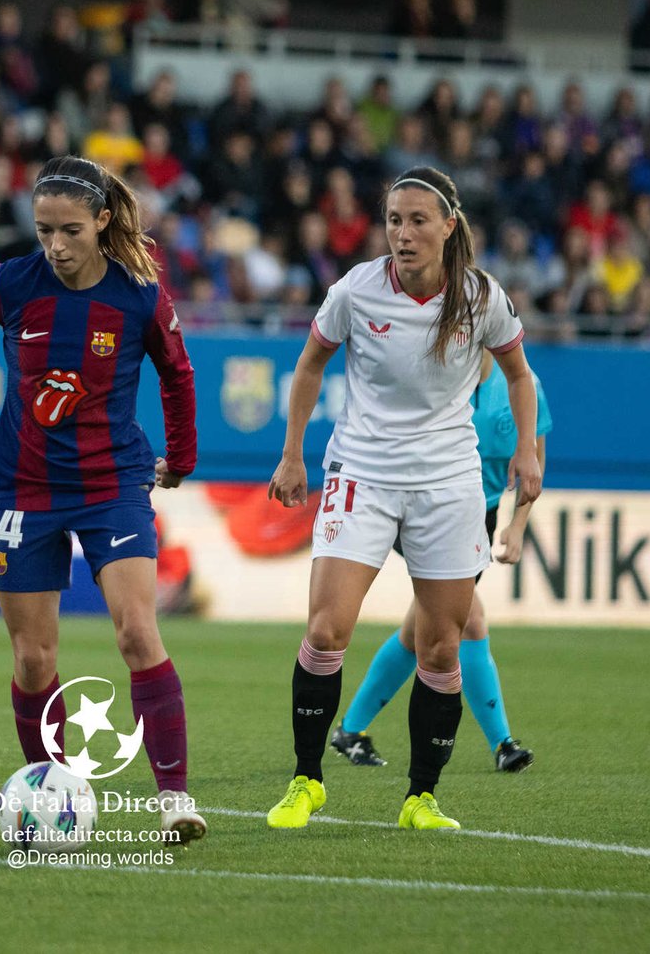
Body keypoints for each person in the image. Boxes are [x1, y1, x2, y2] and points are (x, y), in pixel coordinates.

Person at [0, 155, 206, 842]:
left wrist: (182, 460)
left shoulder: (139, 295)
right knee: (33, 659)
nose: (56, 246)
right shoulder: (12, 281)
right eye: (44, 230)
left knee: (137, 630)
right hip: (24, 486)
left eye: (70, 230)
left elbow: (178, 375)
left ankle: (175, 800)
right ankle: (57, 792)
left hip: (112, 485)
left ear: (103, 221)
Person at [264, 166, 541, 832]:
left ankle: (422, 796)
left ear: (449, 226)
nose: (404, 233)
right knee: (326, 629)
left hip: (448, 482)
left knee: (442, 647)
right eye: (394, 220)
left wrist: (527, 448)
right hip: (362, 470)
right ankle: (306, 780)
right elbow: (309, 364)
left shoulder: (480, 297)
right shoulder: (356, 290)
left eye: (418, 220)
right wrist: (293, 451)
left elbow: (519, 373)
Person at [331, 347, 551, 771]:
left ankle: (351, 730)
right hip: (427, 509)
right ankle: (503, 744)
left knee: (422, 631)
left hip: (478, 514)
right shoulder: (439, 380)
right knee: (466, 620)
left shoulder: (524, 385)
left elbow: (535, 459)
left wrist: (518, 523)